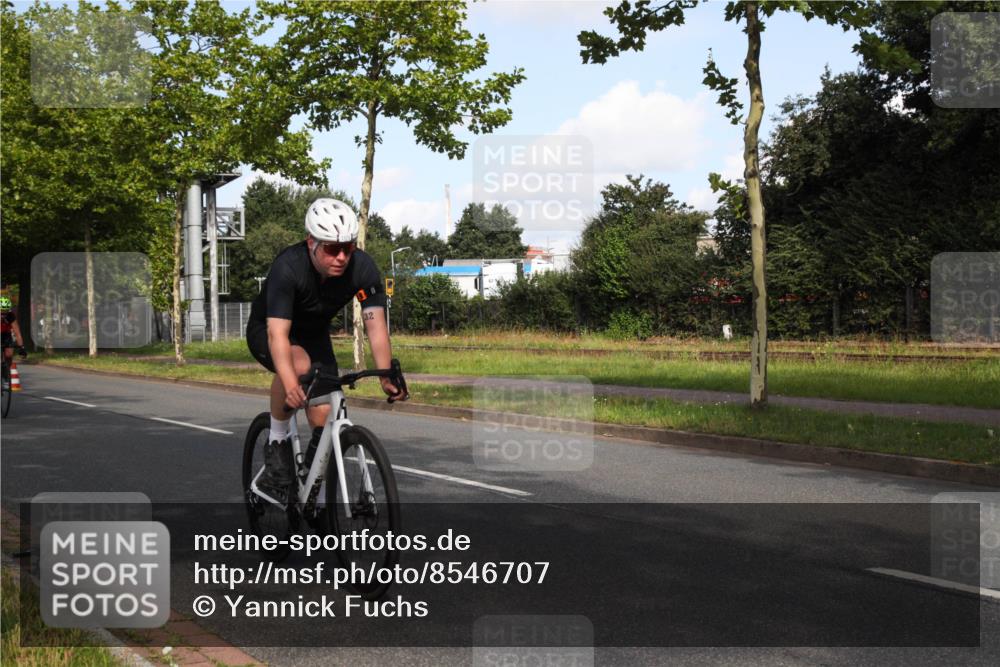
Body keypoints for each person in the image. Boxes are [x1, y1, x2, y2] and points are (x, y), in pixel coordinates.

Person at [246, 198, 404, 498]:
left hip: (314, 335)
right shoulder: (288, 267)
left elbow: (376, 327)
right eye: (332, 248)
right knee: (300, 365)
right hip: (270, 331)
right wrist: (291, 383)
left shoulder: (363, 269)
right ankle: (277, 446)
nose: (342, 256)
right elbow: (278, 334)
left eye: (348, 246)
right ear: (311, 243)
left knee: (324, 412)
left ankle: (314, 494)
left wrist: (385, 374)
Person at [0, 295, 27, 381]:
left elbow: (17, 333)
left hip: (6, 335)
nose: (3, 314)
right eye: (2, 312)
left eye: (6, 311)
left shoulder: (11, 316)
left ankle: (6, 371)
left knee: (9, 354)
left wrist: (22, 347)